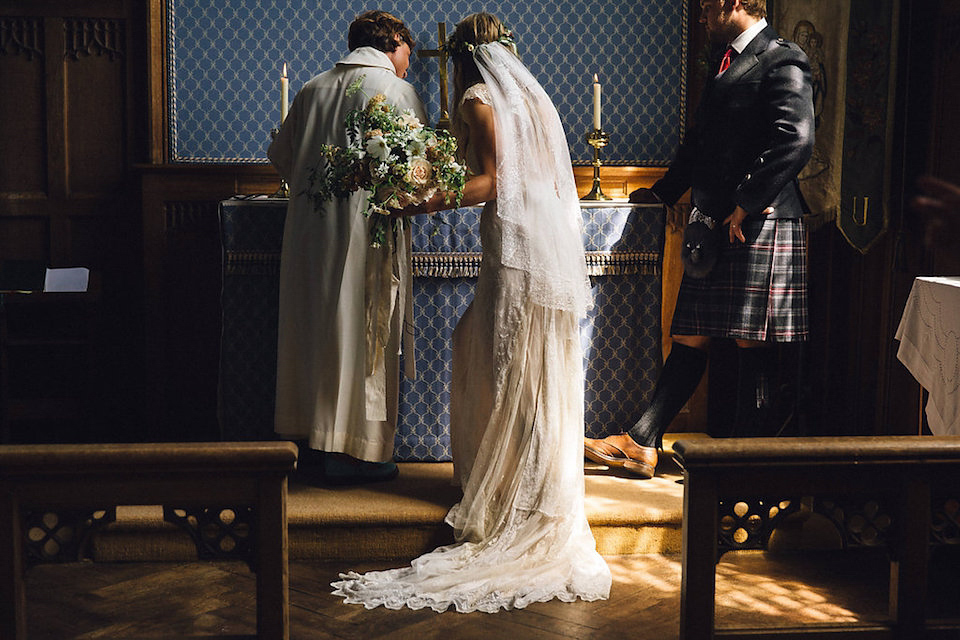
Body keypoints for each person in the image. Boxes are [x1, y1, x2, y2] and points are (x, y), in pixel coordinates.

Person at [332, 12, 612, 612]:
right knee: (502, 356)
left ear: (463, 59)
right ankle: (513, 480)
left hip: (517, 246)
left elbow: (493, 179)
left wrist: (423, 203)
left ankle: (511, 493)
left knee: (507, 362)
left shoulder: (482, 99)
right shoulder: (531, 100)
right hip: (538, 243)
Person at [585, 0, 815, 478]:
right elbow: (701, 143)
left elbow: (795, 137)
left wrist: (747, 201)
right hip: (717, 221)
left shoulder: (781, 57)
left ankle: (747, 466)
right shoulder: (725, 62)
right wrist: (660, 193)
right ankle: (643, 442)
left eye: (709, 7)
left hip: (758, 220)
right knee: (690, 333)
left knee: (753, 344)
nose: (702, 16)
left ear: (735, 2)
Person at [267, 11, 427, 485]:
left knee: (313, 332)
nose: (407, 66)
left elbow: (283, 159)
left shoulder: (313, 87)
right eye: (407, 55)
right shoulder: (398, 93)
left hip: (311, 236)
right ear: (395, 41)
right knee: (363, 335)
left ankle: (309, 444)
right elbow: (417, 171)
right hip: (368, 234)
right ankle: (359, 452)